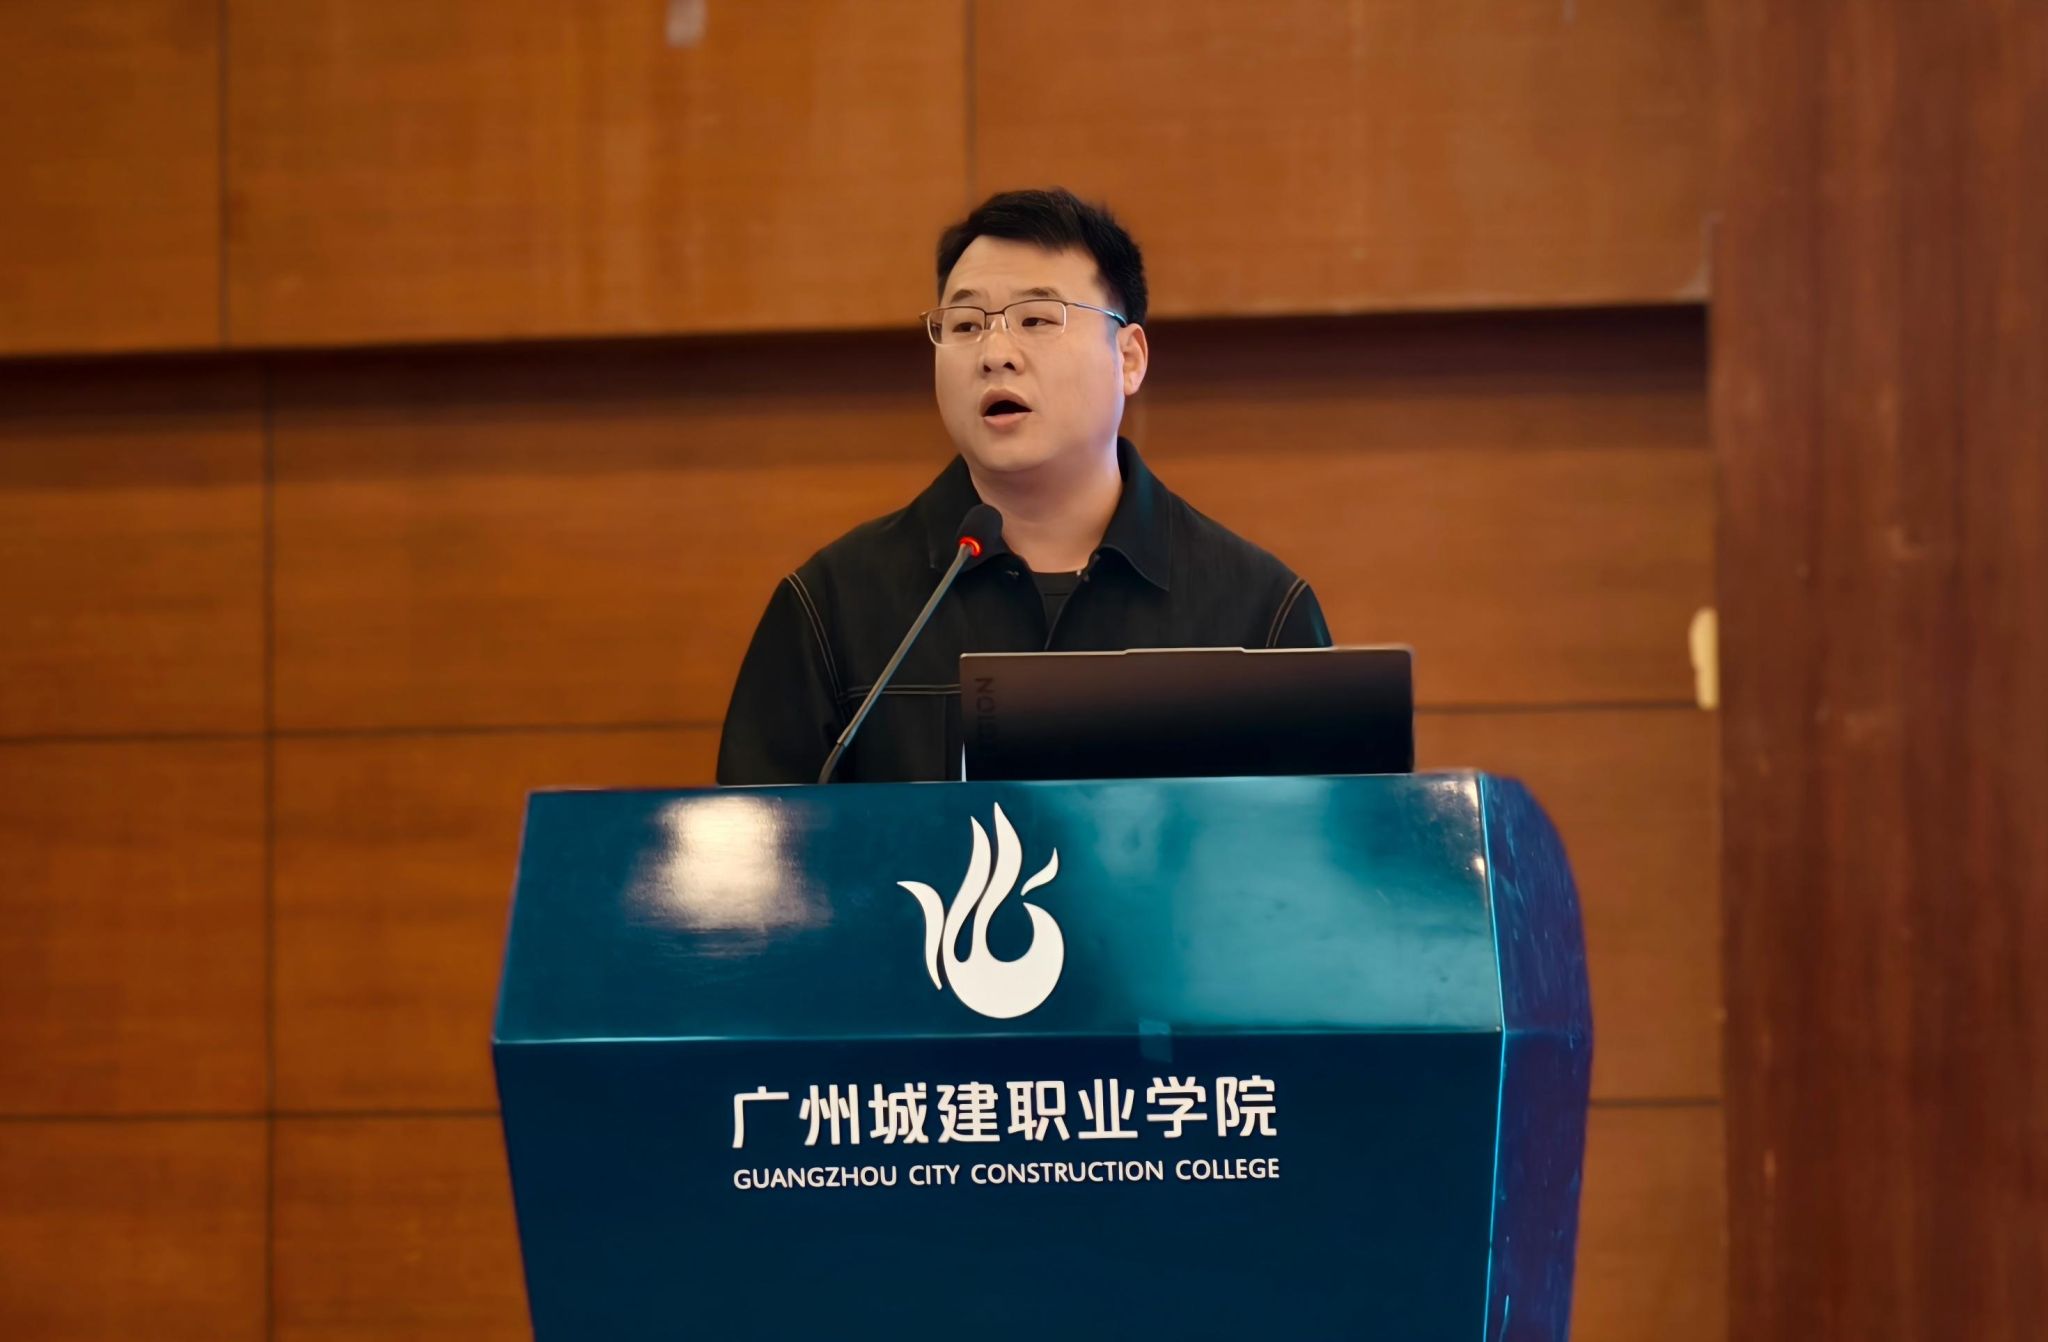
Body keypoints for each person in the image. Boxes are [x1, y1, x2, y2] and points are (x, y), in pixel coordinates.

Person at [716, 188, 1331, 784]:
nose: (995, 354)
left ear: (1129, 358)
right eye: (964, 325)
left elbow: (1326, 842)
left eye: (1036, 319)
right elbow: (762, 843)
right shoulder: (832, 607)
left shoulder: (1259, 613)